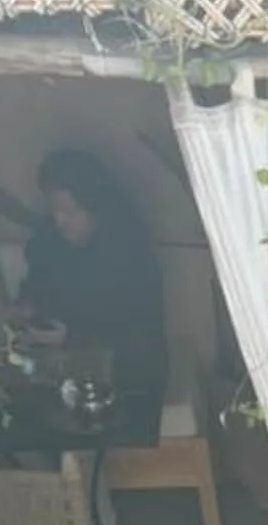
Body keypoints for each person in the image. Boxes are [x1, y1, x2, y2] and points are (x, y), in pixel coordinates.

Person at [15, 148, 169, 445]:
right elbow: (38, 288)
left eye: (69, 213)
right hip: (61, 380)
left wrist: (73, 337)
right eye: (54, 211)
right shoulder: (49, 242)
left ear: (94, 208)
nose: (60, 221)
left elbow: (139, 331)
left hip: (127, 384)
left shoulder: (129, 251)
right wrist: (26, 310)